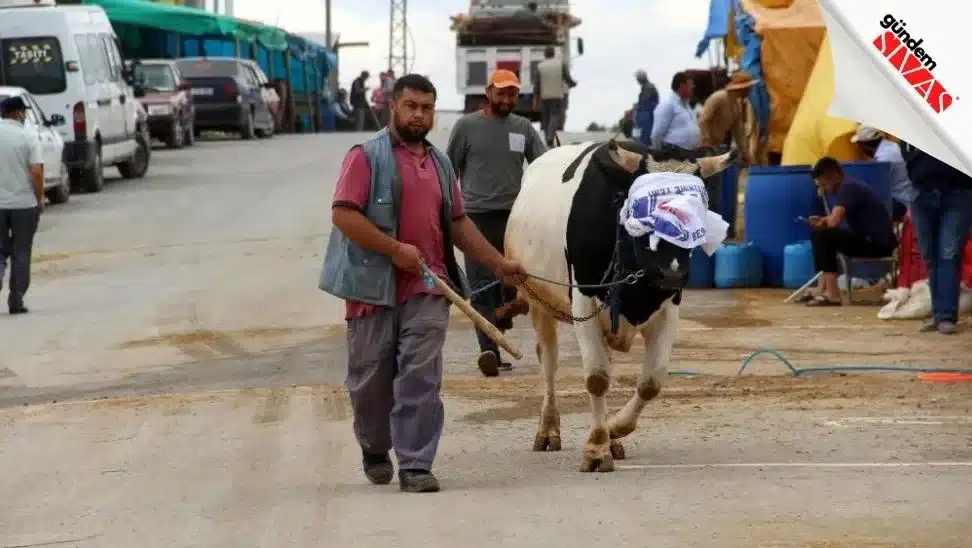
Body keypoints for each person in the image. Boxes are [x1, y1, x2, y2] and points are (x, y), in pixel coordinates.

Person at [320, 74, 528, 493]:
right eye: (411, 105)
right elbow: (344, 214)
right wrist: (395, 249)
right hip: (372, 290)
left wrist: (499, 263)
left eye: (427, 107)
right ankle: (375, 447)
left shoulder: (439, 163)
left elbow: (457, 222)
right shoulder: (365, 156)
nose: (419, 114)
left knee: (421, 375)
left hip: (429, 286)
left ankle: (416, 463)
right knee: (371, 381)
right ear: (392, 107)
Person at [446, 69, 546, 377]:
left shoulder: (524, 128)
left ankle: (504, 311)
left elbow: (541, 164)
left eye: (512, 94)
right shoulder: (466, 127)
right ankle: (488, 350)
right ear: (488, 92)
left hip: (515, 218)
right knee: (481, 286)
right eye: (501, 93)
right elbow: (449, 169)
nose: (506, 99)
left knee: (516, 279)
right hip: (474, 218)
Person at [898, 140, 972, 334]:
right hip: (921, 192)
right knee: (930, 256)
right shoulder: (911, 124)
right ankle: (939, 314)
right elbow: (909, 157)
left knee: (948, 253)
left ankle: (946, 316)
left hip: (958, 192)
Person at [803, 157, 896, 307]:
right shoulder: (849, 185)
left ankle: (832, 294)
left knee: (825, 236)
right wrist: (823, 221)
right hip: (870, 240)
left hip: (877, 244)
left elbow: (834, 222)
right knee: (820, 235)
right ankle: (822, 288)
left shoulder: (849, 188)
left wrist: (825, 221)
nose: (824, 190)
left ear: (834, 175)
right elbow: (832, 220)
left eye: (824, 185)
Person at [0, 96, 44, 315]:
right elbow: (36, 171)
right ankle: (16, 300)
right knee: (21, 252)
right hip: (24, 204)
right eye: (23, 112)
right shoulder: (28, 136)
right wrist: (40, 198)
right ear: (17, 113)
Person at [850, 125, 915, 222]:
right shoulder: (891, 147)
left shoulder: (884, 158)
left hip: (899, 201)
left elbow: (875, 187)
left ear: (864, 144)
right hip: (905, 196)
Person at [697, 70, 758, 164]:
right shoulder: (718, 97)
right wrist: (706, 142)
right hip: (703, 146)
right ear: (742, 88)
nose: (749, 91)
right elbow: (703, 120)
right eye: (748, 88)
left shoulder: (736, 105)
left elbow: (738, 133)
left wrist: (746, 154)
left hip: (716, 146)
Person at [533, 47, 576, 147]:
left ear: (545, 55)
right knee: (555, 116)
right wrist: (573, 84)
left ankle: (547, 139)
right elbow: (567, 79)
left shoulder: (540, 66)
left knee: (546, 118)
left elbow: (537, 85)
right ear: (553, 54)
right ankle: (549, 138)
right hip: (557, 96)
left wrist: (535, 100)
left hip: (545, 97)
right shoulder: (560, 64)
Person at [650, 71, 700, 153]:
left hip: (689, 155)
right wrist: (659, 154)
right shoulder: (667, 105)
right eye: (690, 85)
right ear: (682, 86)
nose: (693, 88)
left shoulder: (687, 107)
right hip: (673, 155)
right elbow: (656, 134)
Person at [632, 70, 659, 148]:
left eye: (637, 78)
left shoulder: (648, 87)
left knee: (644, 140)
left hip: (647, 117)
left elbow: (644, 103)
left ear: (640, 78)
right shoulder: (646, 87)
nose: (637, 80)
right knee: (641, 139)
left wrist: (636, 106)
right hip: (645, 116)